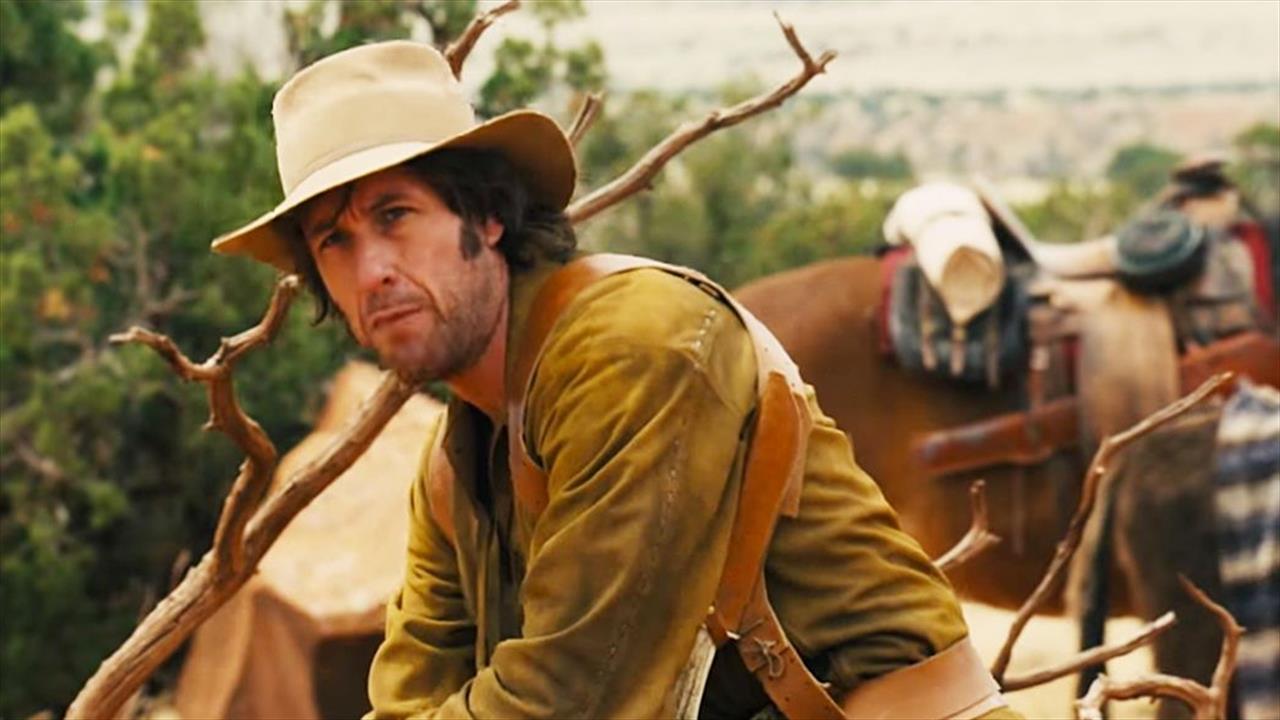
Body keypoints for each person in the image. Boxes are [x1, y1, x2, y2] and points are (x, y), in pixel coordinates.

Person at [211, 40, 1018, 720]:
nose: (372, 271)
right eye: (334, 242)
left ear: (486, 216)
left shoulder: (634, 346)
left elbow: (571, 695)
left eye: (395, 216)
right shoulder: (453, 471)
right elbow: (409, 695)